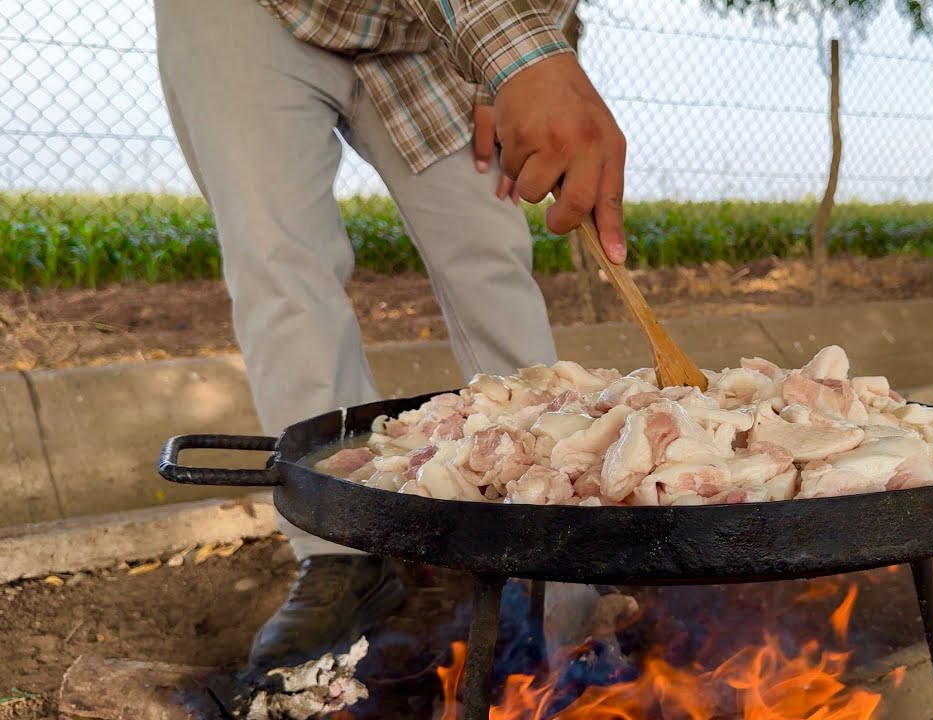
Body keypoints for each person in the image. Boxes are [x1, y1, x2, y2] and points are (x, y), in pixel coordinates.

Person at [154, 0, 627, 672]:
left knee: (487, 247)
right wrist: (517, 56)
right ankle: (342, 555)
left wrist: (512, 62)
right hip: (250, 14)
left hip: (429, 29)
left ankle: (553, 544)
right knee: (278, 265)